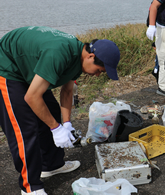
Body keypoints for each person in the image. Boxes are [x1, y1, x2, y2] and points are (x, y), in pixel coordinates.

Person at [0, 26, 120, 195]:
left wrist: (67, 123)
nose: (98, 75)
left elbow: (67, 91)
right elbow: (32, 97)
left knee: (52, 112)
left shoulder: (79, 57)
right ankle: (30, 187)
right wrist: (56, 129)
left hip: (29, 66)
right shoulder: (59, 54)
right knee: (24, 130)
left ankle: (51, 165)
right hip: (7, 66)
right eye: (100, 70)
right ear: (91, 56)